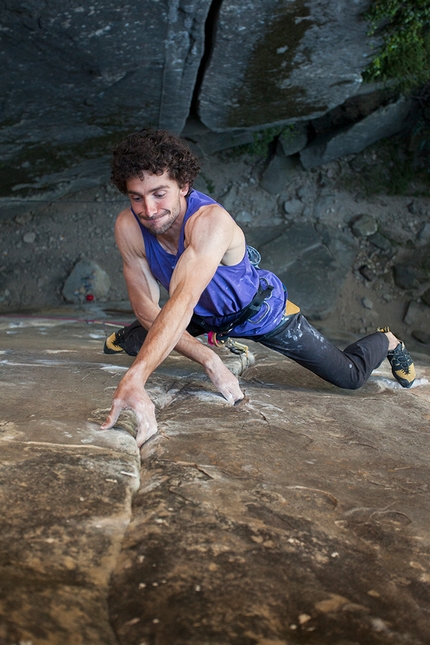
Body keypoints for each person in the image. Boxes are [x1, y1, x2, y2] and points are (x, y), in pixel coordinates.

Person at [100, 129, 416, 447]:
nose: (149, 210)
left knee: (350, 377)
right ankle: (140, 338)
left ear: (183, 186)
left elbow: (181, 300)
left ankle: (387, 342)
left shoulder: (210, 223)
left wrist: (137, 377)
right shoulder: (129, 227)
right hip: (199, 314)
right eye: (136, 197)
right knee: (134, 342)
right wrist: (210, 360)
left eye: (159, 194)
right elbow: (147, 308)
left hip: (256, 312)